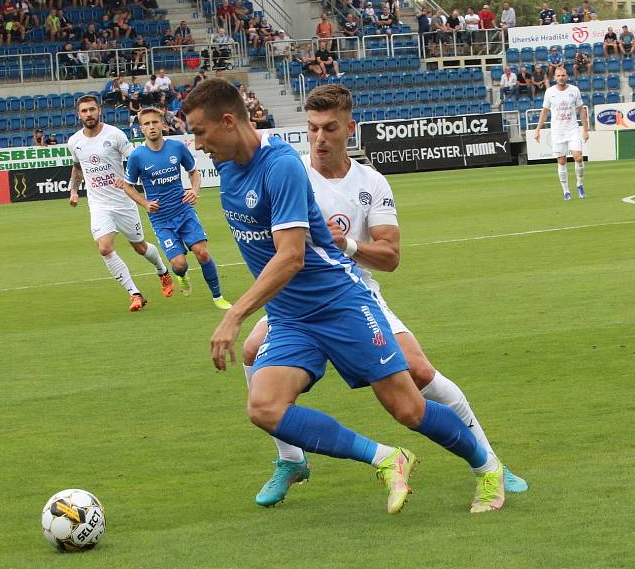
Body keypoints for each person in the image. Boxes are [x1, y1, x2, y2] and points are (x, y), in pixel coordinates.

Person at [181, 79, 506, 516]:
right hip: (292, 317)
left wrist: (235, 314)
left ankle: (488, 469)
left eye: (200, 132)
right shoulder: (229, 167)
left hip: (340, 305)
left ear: (227, 121)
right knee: (264, 407)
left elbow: (291, 257)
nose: (197, 144)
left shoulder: (279, 166)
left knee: (409, 408)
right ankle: (387, 459)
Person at [67, 95, 172, 312]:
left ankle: (162, 271)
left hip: (124, 202)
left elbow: (135, 160)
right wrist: (74, 190)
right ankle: (135, 294)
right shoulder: (74, 141)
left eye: (92, 110)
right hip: (98, 205)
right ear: (79, 114)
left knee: (140, 247)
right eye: (84, 111)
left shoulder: (114, 134)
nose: (89, 114)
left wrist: (128, 180)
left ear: (99, 111)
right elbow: (77, 167)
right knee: (104, 248)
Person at [119, 107, 232, 309]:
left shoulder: (177, 148)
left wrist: (194, 191)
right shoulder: (137, 157)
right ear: (141, 129)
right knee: (179, 264)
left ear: (163, 124)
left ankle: (218, 297)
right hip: (161, 219)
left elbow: (194, 173)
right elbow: (127, 186)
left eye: (155, 122)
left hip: (184, 211)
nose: (151, 127)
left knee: (203, 253)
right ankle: (181, 276)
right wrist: (144, 203)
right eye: (146, 124)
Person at [534, 66, 589, 200]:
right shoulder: (549, 92)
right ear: (555, 78)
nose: (561, 78)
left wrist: (585, 129)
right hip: (557, 131)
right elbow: (545, 112)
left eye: (563, 75)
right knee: (562, 161)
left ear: (567, 76)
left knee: (579, 157)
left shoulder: (574, 90)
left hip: (572, 129)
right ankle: (566, 191)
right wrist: (537, 130)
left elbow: (581, 110)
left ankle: (580, 184)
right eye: (558, 76)